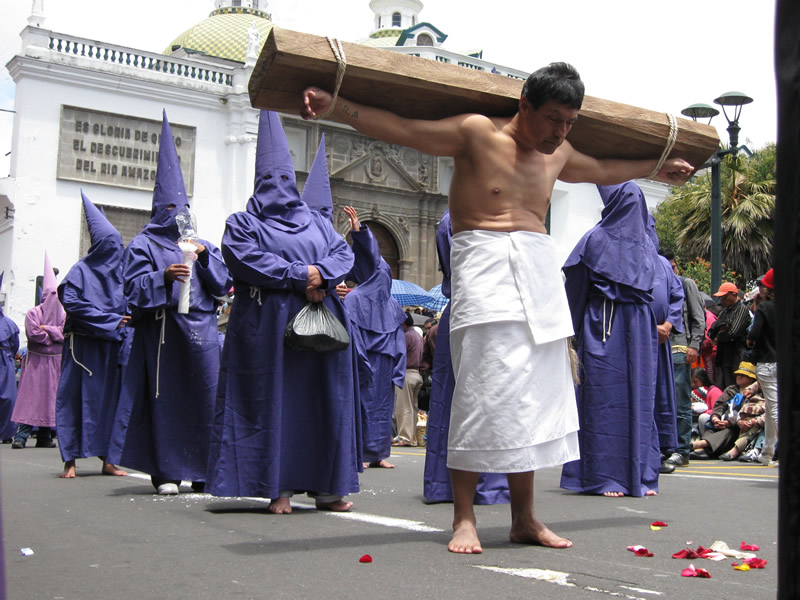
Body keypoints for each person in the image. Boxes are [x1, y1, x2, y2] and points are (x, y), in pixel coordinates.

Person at [302, 62, 693, 553]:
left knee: (531, 399)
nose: (561, 132)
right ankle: (463, 517)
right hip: (483, 271)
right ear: (525, 104)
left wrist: (658, 168)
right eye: (553, 118)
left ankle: (524, 518)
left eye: (570, 122)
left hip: (538, 274)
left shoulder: (560, 154)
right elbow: (404, 129)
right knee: (480, 394)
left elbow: (606, 169)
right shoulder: (477, 134)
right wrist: (336, 106)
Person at [205, 111, 359, 513]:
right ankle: (280, 486)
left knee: (324, 401)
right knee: (276, 402)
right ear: (258, 182)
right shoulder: (242, 223)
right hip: (268, 325)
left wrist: (321, 276)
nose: (279, 187)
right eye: (270, 180)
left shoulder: (317, 222)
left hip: (322, 321)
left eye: (286, 179)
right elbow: (244, 259)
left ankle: (328, 486)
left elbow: (342, 253)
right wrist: (300, 274)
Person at [107, 111, 231, 495]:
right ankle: (166, 472)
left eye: (182, 209)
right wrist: (162, 277)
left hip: (202, 336)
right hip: (163, 337)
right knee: (166, 401)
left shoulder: (202, 242)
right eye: (169, 209)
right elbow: (130, 287)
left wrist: (205, 260)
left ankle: (202, 471)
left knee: (206, 399)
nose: (177, 215)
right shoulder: (143, 244)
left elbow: (223, 284)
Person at [560, 182, 662, 497]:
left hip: (604, 324)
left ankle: (631, 474)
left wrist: (571, 328)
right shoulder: (648, 244)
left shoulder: (595, 239)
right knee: (622, 396)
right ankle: (616, 475)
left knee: (614, 397)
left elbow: (574, 289)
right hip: (632, 328)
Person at [423, 209, 510, 505]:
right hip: (478, 310)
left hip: (470, 309)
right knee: (478, 397)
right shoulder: (459, 219)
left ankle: (450, 482)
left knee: (467, 397)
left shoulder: (453, 218)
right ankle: (484, 483)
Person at [55, 192, 129, 478]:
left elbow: (129, 302)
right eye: (109, 245)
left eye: (118, 244)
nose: (115, 249)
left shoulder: (120, 274)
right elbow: (72, 303)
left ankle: (108, 460)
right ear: (98, 246)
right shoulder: (80, 271)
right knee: (74, 398)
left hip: (109, 347)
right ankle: (70, 461)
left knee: (109, 402)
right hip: (82, 346)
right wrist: (110, 319)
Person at [339, 205, 407, 469]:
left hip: (384, 367)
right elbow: (352, 335)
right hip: (364, 363)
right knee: (363, 408)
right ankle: (363, 453)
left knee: (382, 410)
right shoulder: (354, 300)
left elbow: (398, 339)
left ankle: (379, 452)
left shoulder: (391, 305)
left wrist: (398, 368)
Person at [11, 253, 65, 449]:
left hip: (54, 363)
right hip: (36, 363)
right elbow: (34, 334)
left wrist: (48, 330)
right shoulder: (34, 313)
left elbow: (64, 333)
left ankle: (44, 436)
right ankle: (22, 436)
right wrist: (52, 335)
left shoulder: (63, 313)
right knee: (31, 397)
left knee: (50, 399)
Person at [661, 250, 706, 469]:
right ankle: (667, 447)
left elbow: (699, 318)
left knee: (680, 402)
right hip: (661, 350)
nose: (671, 271)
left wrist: (694, 345)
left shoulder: (686, 284)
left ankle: (682, 450)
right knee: (663, 401)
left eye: (673, 267)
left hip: (680, 348)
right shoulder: (658, 286)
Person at [649, 246, 684, 475]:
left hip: (662, 342)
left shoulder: (662, 263)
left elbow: (676, 296)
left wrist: (668, 325)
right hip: (638, 337)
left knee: (660, 396)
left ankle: (660, 451)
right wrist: (651, 327)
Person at [691, 361, 765, 461]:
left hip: (739, 426)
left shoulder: (758, 394)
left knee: (729, 431)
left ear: (751, 379)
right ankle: (703, 449)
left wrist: (731, 422)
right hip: (723, 419)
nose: (739, 377)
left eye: (743, 375)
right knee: (708, 423)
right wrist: (715, 417)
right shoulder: (731, 389)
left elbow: (751, 413)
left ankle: (698, 445)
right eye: (738, 374)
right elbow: (719, 405)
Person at [746, 268, 778, 466]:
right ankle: (767, 452)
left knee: (775, 408)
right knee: (773, 407)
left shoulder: (765, 308)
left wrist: (750, 342)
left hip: (767, 362)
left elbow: (754, 334)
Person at [709, 282, 751, 389]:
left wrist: (718, 336)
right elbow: (713, 330)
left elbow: (733, 332)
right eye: (721, 298)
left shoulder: (742, 309)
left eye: (724, 297)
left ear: (733, 295)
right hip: (723, 354)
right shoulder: (724, 311)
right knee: (722, 384)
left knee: (734, 385)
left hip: (735, 353)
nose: (722, 300)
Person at [393, 312, 424, 447]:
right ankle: (411, 438)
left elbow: (397, 354)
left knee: (404, 407)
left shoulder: (406, 336)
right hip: (417, 373)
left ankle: (405, 438)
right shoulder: (418, 336)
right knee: (412, 408)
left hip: (406, 373)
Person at [0, 273, 20, 442]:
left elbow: (14, 344)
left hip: (4, 361)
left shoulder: (8, 323)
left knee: (7, 398)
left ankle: (6, 433)